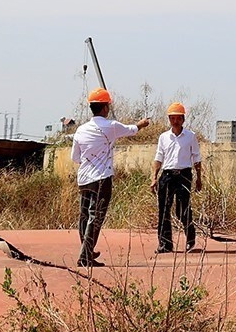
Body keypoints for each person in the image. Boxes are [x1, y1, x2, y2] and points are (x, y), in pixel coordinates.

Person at [70, 88, 150, 267]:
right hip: (101, 178)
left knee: (84, 216)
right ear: (105, 108)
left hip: (84, 178)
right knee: (95, 217)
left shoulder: (81, 130)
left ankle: (87, 250)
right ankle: (85, 256)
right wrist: (142, 124)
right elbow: (132, 129)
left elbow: (75, 158)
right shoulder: (111, 127)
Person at [150, 102, 203, 253]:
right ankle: (165, 244)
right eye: (172, 118)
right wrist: (154, 178)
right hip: (167, 176)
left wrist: (199, 178)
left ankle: (190, 238)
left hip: (184, 175)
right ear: (169, 119)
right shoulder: (164, 137)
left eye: (178, 118)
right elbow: (158, 158)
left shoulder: (190, 137)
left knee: (182, 209)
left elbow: (197, 158)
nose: (175, 121)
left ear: (183, 119)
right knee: (164, 210)